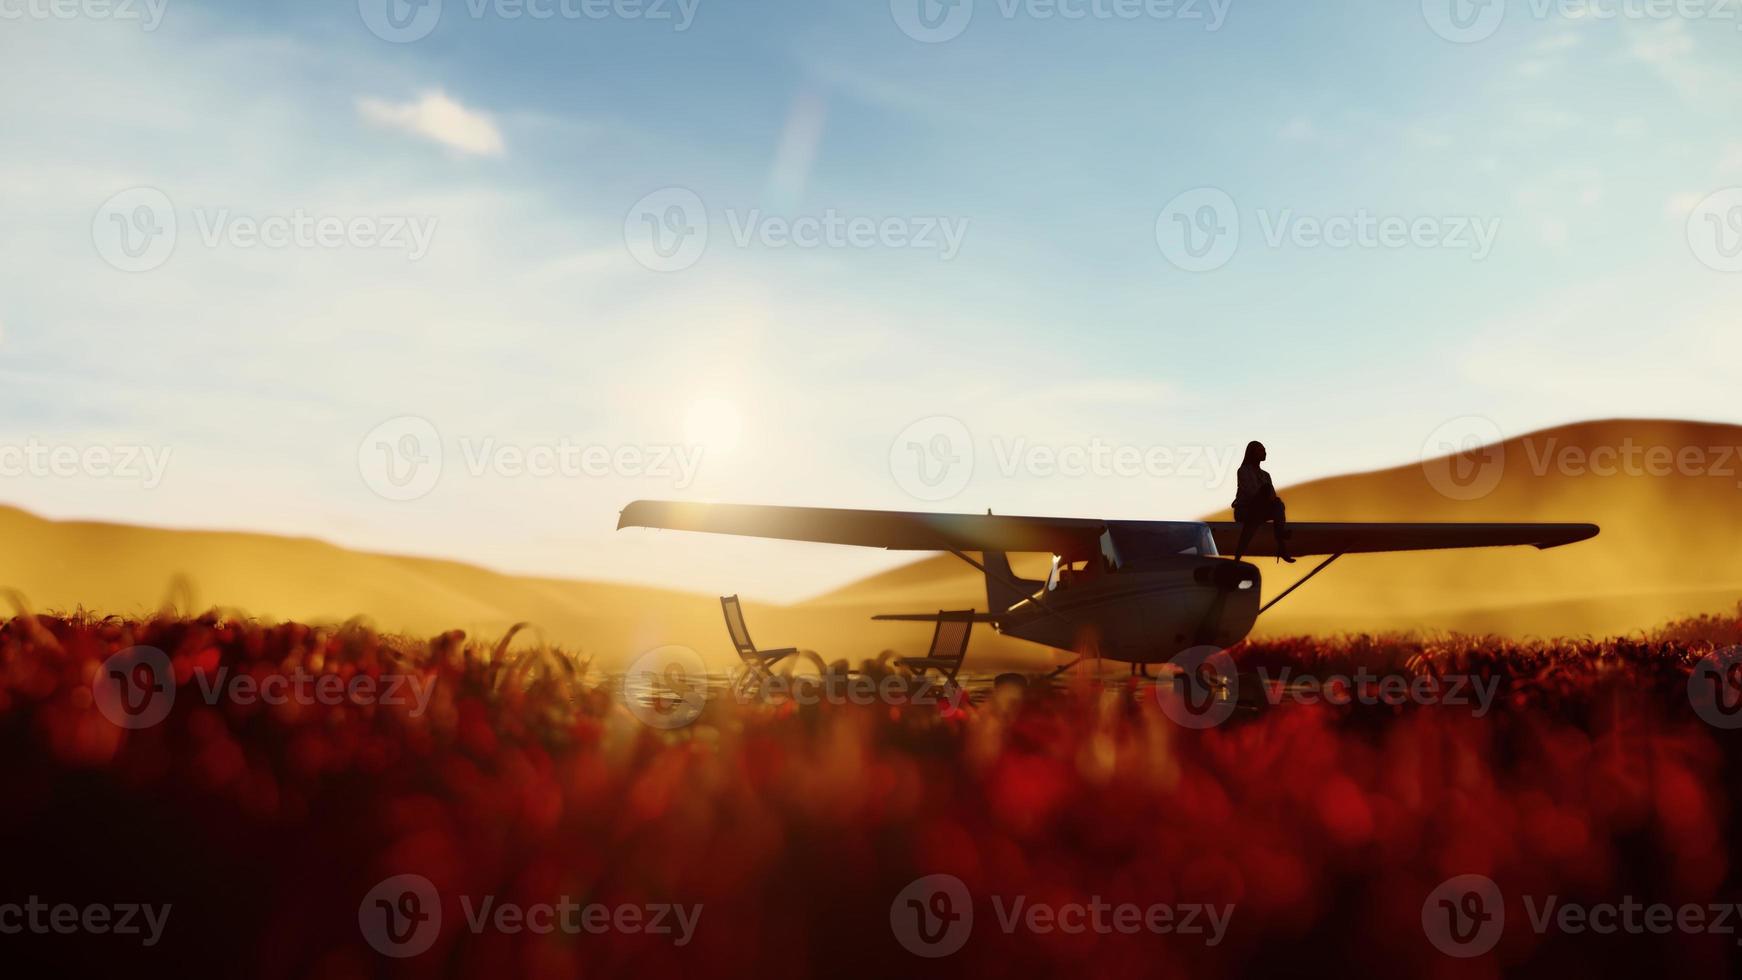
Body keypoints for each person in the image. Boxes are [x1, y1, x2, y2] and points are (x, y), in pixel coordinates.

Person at [1232, 441, 1295, 563]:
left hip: (1260, 510)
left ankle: (1281, 544)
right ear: (1252, 453)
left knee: (1277, 505)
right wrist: (1266, 494)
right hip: (1245, 510)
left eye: (1264, 450)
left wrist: (1269, 498)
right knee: (1265, 502)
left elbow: (1272, 496)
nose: (1265, 452)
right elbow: (1252, 494)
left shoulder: (1266, 475)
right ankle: (1281, 542)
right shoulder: (1243, 471)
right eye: (1261, 450)